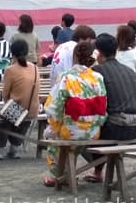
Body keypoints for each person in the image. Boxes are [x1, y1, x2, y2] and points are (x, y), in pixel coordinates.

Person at [43, 41, 107, 186]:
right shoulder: (98, 78)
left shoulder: (66, 77)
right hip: (93, 130)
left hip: (71, 130)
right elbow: (103, 106)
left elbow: (53, 107)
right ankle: (67, 172)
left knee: (53, 135)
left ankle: (59, 175)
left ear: (75, 57)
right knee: (72, 134)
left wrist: (53, 125)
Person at [84, 33, 136, 182]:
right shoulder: (129, 71)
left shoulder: (97, 71)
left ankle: (94, 169)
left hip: (116, 127)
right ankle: (98, 170)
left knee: (77, 132)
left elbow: (92, 102)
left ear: (97, 52)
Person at [0, 40, 40, 160]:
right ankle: (15, 148)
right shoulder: (35, 68)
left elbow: (5, 93)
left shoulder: (10, 70)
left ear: (12, 53)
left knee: (4, 117)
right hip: (33, 109)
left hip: (18, 109)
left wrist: (8, 104)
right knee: (16, 116)